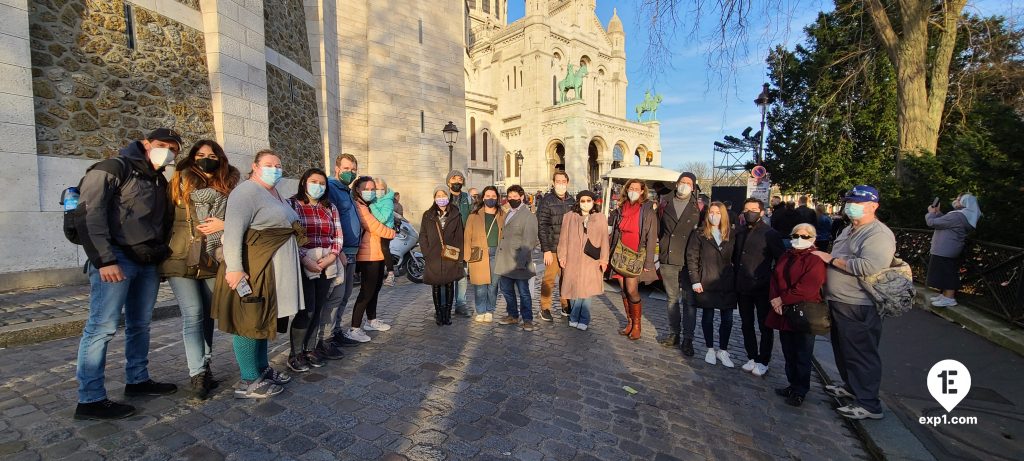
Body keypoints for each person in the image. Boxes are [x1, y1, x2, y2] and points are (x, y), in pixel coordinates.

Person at [73, 128, 179, 420]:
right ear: (146, 144)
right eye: (162, 145)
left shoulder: (158, 179)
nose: (168, 151)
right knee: (102, 328)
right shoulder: (112, 168)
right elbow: (89, 213)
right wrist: (104, 260)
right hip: (116, 259)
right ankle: (91, 399)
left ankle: (138, 380)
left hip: (147, 261)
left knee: (140, 324)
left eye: (174, 148)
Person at [214, 149, 303, 399]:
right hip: (254, 267)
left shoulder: (276, 194)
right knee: (248, 322)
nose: (275, 168)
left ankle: (261, 369)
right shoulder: (246, 192)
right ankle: (249, 380)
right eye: (268, 164)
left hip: (270, 270)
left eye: (278, 164)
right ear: (255, 166)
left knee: (263, 321)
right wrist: (235, 268)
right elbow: (233, 231)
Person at [160, 139, 239, 400]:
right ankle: (197, 373)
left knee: (208, 314)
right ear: (193, 158)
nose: (206, 159)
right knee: (193, 314)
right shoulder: (179, 181)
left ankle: (205, 366)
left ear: (220, 159)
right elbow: (165, 218)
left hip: (211, 258)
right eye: (201, 154)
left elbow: (239, 219)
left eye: (212, 155)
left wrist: (224, 224)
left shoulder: (228, 186)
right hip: (180, 257)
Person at [811, 185, 895, 420]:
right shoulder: (850, 229)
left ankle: (869, 403)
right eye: (849, 202)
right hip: (840, 300)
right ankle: (851, 387)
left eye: (856, 203)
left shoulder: (877, 234)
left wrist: (832, 259)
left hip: (859, 303)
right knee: (844, 348)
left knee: (861, 352)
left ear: (873, 206)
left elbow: (870, 266)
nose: (851, 207)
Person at [286, 168, 344, 373]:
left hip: (326, 264)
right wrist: (305, 259)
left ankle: (310, 348)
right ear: (304, 182)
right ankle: (295, 353)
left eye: (322, 183)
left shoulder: (330, 207)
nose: (318, 186)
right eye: (313, 181)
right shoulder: (292, 204)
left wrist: (331, 256)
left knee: (319, 307)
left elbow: (338, 235)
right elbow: (289, 236)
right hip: (304, 263)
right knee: (306, 309)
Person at [765, 223, 827, 407]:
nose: (800, 239)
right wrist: (775, 299)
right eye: (796, 235)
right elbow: (775, 278)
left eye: (805, 236)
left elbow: (808, 287)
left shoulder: (815, 259)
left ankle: (801, 389)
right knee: (788, 351)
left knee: (802, 353)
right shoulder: (787, 255)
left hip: (803, 312)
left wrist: (782, 299)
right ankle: (792, 384)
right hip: (784, 311)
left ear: (813, 238)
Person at [733, 198, 785, 376]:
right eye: (746, 209)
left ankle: (764, 359)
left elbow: (781, 261)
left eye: (753, 209)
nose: (750, 212)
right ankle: (752, 356)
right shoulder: (740, 232)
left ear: (762, 212)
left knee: (764, 326)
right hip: (743, 286)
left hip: (763, 287)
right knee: (746, 324)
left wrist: (774, 284)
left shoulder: (770, 233)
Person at [345, 176, 397, 342]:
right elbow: (373, 226)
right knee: (366, 292)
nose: (370, 192)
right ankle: (354, 328)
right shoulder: (360, 205)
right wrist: (392, 233)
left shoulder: (368, 204)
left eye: (372, 189)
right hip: (368, 255)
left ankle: (371, 320)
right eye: (366, 189)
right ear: (358, 190)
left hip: (377, 253)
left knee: (375, 289)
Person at [656, 172, 703, 355]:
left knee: (690, 301)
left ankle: (688, 339)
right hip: (669, 257)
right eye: (682, 182)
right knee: (672, 299)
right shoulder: (665, 202)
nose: (684, 185)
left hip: (690, 259)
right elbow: (660, 229)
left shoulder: (699, 206)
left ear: (693, 186)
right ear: (676, 184)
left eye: (688, 183)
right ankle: (674, 333)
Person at [687, 201, 737, 367]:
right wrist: (695, 280)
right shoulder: (700, 234)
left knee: (727, 318)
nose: (714, 215)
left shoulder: (732, 234)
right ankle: (710, 348)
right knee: (708, 317)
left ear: (723, 215)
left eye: (717, 212)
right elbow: (692, 257)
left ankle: (723, 350)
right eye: (711, 212)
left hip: (727, 282)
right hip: (707, 279)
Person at [609, 179, 658, 341]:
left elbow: (651, 237)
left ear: (642, 191)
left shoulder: (647, 211)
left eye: (637, 188)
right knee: (623, 290)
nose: (634, 191)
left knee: (632, 290)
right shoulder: (621, 208)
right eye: (631, 188)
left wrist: (649, 263)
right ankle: (629, 322)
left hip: (636, 254)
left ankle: (637, 325)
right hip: (620, 253)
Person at [557, 191, 609, 330]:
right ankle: (574, 316)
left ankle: (584, 319)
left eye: (588, 200)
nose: (585, 203)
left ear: (593, 201)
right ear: (578, 202)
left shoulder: (600, 217)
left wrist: (604, 259)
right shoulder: (569, 216)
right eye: (583, 200)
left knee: (586, 291)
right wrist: (562, 256)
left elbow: (605, 239)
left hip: (591, 259)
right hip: (573, 258)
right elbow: (563, 238)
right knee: (573, 289)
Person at [325, 154, 359, 351]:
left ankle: (336, 330)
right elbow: (330, 222)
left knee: (345, 295)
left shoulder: (347, 190)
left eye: (353, 169)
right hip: (340, 252)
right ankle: (327, 337)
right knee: (335, 296)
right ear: (337, 168)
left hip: (352, 251)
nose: (350, 172)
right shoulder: (331, 188)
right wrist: (337, 251)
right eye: (346, 168)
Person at [495, 185, 540, 331]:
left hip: (519, 261)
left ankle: (527, 319)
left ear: (521, 197)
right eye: (510, 196)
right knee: (507, 290)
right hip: (506, 260)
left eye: (515, 197)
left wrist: (521, 261)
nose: (512, 199)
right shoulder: (507, 213)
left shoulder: (528, 216)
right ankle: (512, 315)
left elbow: (530, 241)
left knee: (524, 292)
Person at [420, 185, 466, 325]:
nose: (441, 198)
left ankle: (447, 314)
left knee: (449, 285)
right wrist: (426, 253)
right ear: (434, 198)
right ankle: (439, 314)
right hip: (433, 255)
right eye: (438, 196)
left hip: (450, 254)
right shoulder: (428, 215)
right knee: (436, 285)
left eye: (443, 195)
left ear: (448, 196)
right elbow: (423, 235)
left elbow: (459, 236)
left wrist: (459, 256)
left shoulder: (455, 213)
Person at [926, 193, 981, 307]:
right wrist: (937, 213)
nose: (955, 201)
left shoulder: (957, 216)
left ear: (965, 203)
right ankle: (945, 294)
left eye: (958, 200)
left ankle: (949, 297)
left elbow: (933, 223)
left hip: (945, 248)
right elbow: (944, 222)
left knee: (947, 272)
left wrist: (931, 213)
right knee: (945, 271)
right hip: (949, 248)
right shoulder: (964, 216)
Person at [537, 171, 576, 321]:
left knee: (566, 279)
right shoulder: (547, 200)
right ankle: (545, 308)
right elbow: (542, 226)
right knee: (549, 279)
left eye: (563, 181)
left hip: (568, 248)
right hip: (552, 247)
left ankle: (565, 305)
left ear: (568, 182)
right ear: (553, 183)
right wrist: (546, 249)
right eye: (558, 181)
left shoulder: (572, 201)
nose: (561, 183)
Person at [465, 186, 504, 322]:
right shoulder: (473, 216)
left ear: (497, 198)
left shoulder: (502, 215)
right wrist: (467, 257)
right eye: (487, 196)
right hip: (479, 253)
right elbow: (467, 236)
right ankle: (480, 310)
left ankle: (490, 310)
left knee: (493, 285)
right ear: (483, 198)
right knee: (480, 285)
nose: (490, 198)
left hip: (497, 253)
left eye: (493, 196)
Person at [446, 170, 472, 317]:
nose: (457, 181)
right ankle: (445, 305)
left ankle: (461, 304)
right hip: (449, 242)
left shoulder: (467, 198)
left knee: (462, 273)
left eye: (460, 179)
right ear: (449, 182)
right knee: (448, 273)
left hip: (463, 241)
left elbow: (472, 216)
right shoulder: (443, 196)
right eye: (454, 179)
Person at [370, 177, 397, 287]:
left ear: (385, 190)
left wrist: (371, 206)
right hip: (376, 229)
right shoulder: (373, 199)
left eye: (381, 189)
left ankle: (391, 273)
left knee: (384, 249)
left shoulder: (388, 201)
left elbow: (383, 218)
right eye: (376, 189)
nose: (378, 192)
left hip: (385, 230)